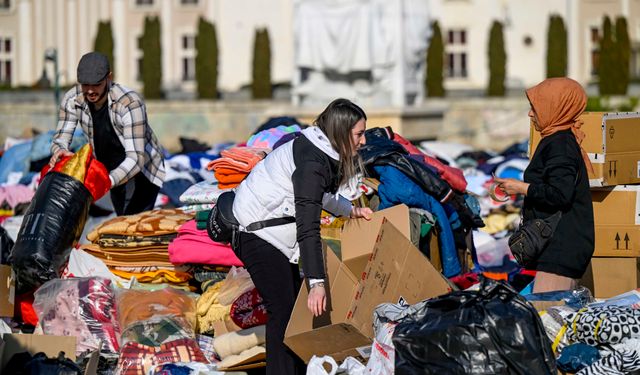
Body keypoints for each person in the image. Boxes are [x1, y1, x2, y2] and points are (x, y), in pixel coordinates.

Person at [231, 98, 373, 374]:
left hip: (271, 227)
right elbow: (308, 226)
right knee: (283, 311)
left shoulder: (319, 151)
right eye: (359, 134)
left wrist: (350, 211)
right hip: (255, 231)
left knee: (293, 312)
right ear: (341, 133)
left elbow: (319, 195)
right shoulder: (312, 162)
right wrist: (316, 282)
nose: (364, 141)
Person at [495, 77, 594, 293]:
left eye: (535, 107)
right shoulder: (556, 139)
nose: (530, 113)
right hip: (558, 249)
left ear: (556, 107)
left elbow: (560, 194)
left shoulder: (560, 145)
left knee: (548, 318)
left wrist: (520, 187)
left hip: (561, 251)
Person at [49, 52, 165, 216]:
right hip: (108, 168)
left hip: (141, 170)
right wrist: (59, 151)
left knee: (133, 227)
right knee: (121, 221)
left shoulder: (129, 103)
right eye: (84, 84)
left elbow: (136, 158)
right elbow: (60, 138)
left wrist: (106, 181)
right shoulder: (72, 99)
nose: (89, 91)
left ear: (109, 77)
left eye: (96, 84)